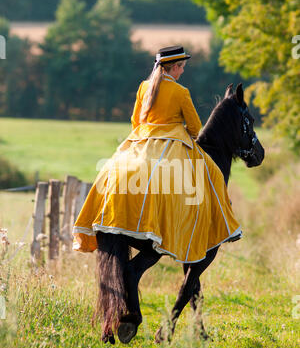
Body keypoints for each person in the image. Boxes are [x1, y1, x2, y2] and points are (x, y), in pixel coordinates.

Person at [73, 45, 242, 263]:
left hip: (139, 140)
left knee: (110, 168)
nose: (182, 72)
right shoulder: (181, 92)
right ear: (174, 67)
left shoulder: (144, 87)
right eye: (181, 68)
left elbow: (136, 121)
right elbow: (195, 127)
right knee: (212, 175)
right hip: (172, 143)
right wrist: (182, 132)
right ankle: (209, 227)